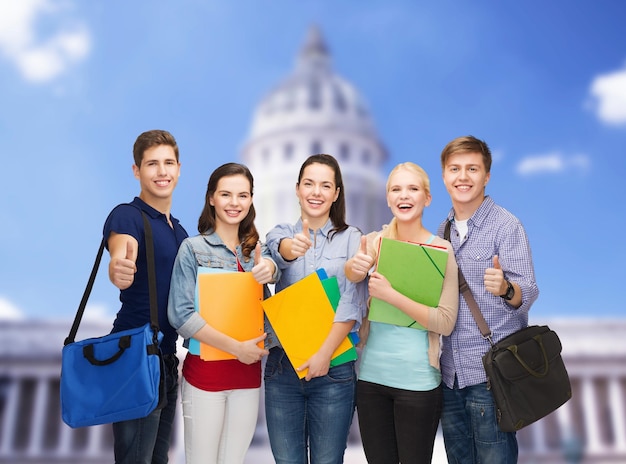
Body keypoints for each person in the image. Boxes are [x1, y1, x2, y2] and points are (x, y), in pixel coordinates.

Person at [344, 162, 459, 464]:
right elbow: (352, 275)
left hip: (419, 384)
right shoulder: (372, 242)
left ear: (427, 198)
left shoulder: (442, 251)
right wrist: (353, 268)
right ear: (387, 197)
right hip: (371, 381)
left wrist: (392, 296)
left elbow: (445, 322)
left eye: (412, 189)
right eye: (396, 189)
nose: (403, 196)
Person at [436, 135, 539, 463]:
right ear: (444, 176)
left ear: (486, 176)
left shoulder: (507, 227)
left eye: (472, 169)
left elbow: (528, 292)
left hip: (490, 377)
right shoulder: (442, 231)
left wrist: (506, 288)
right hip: (450, 376)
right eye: (455, 169)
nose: (462, 177)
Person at [167, 163, 278, 464]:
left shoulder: (257, 251)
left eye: (242, 195)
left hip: (247, 377)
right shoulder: (192, 249)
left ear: (251, 200)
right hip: (205, 376)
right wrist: (236, 349)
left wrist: (269, 269)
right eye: (226, 194)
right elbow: (181, 315)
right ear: (212, 198)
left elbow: (272, 270)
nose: (234, 202)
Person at [264, 153, 367, 464]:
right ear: (297, 189)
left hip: (334, 369)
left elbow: (353, 301)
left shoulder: (353, 239)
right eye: (308, 184)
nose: (316, 192)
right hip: (283, 368)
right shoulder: (280, 232)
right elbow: (276, 252)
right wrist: (288, 249)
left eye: (325, 186)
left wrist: (324, 354)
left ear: (336, 193)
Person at [104, 129, 189, 464]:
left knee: (157, 459)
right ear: (137, 171)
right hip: (136, 354)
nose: (162, 171)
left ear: (179, 169)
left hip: (167, 358)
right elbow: (122, 250)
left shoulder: (180, 231)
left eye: (168, 163)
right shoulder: (128, 215)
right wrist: (119, 267)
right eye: (152, 164)